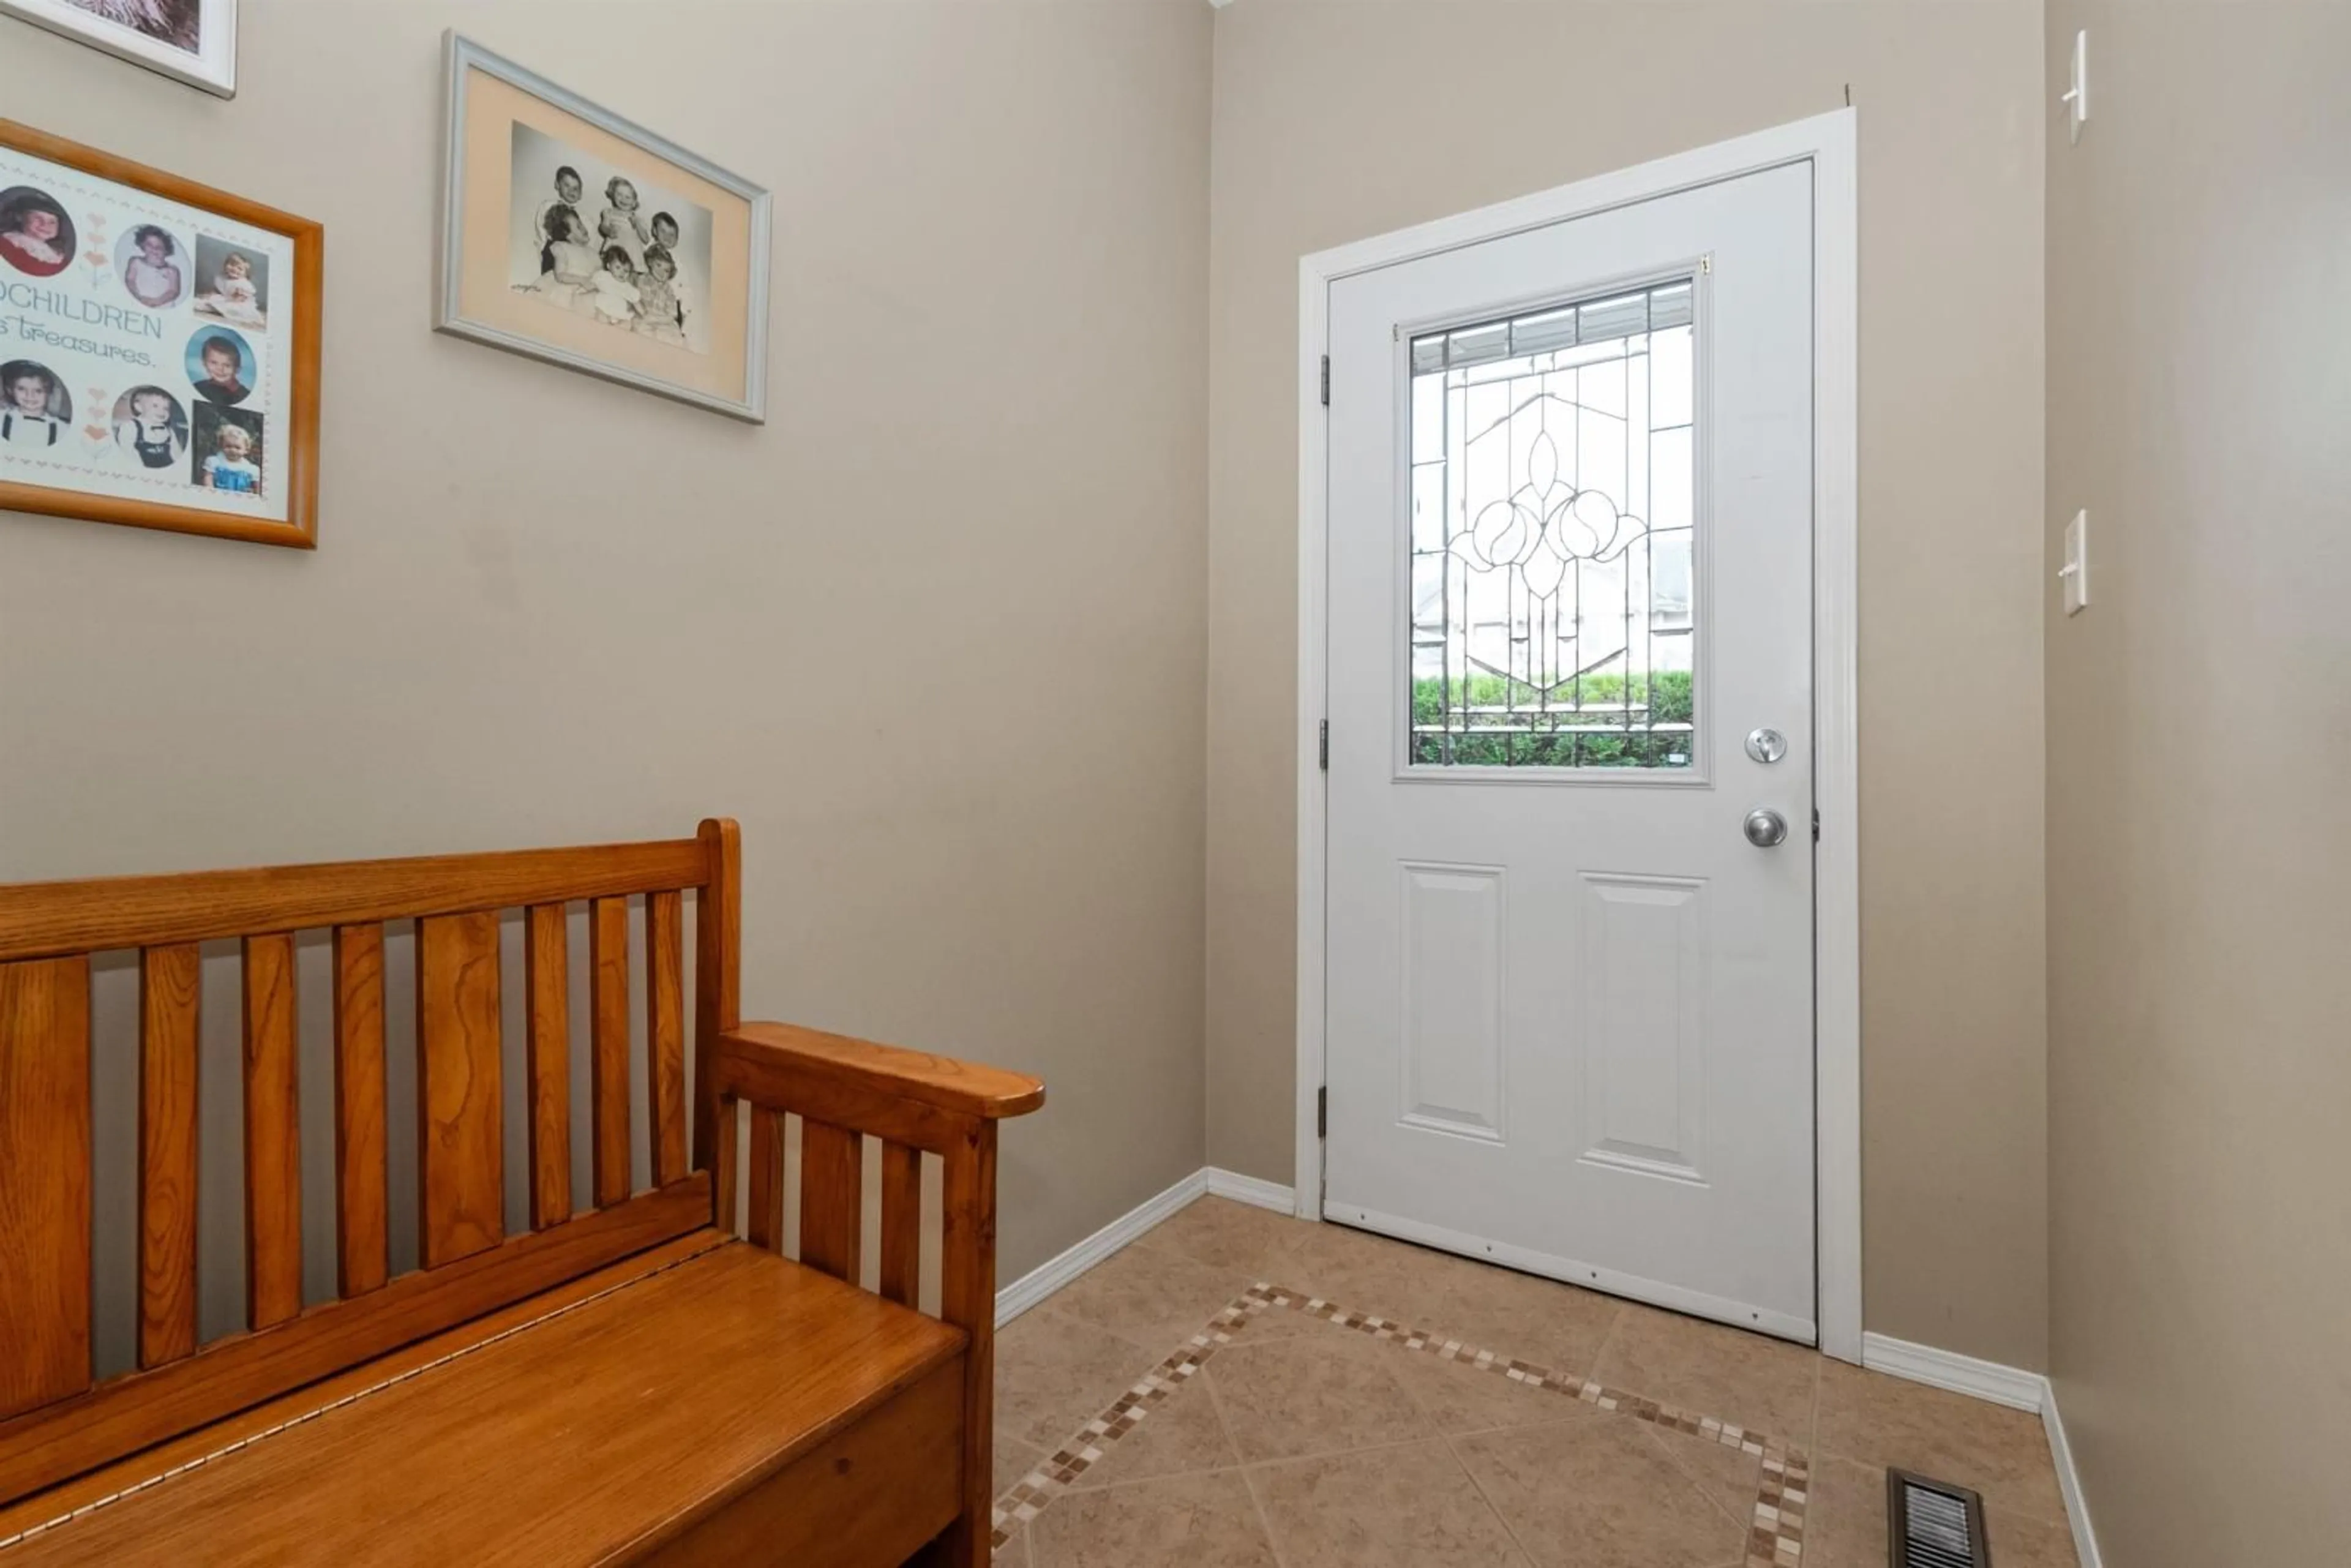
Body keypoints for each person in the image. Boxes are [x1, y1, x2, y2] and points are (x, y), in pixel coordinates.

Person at [0, 192, 71, 277]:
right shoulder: (5, 244)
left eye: (52, 222)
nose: (45, 225)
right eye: (38, 218)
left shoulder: (59, 259)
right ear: (19, 217)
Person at [114, 387, 187, 470]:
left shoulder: (169, 431)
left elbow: (177, 452)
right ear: (139, 407)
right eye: (155, 406)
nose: (162, 411)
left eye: (166, 408)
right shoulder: (130, 426)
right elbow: (128, 450)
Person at [531, 165, 585, 272]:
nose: (571, 191)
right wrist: (543, 248)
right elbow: (541, 228)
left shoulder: (583, 216)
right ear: (557, 185)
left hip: (573, 255)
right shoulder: (548, 205)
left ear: (581, 194)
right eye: (567, 185)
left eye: (575, 188)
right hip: (553, 250)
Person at [648, 212, 692, 341]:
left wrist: (684, 311)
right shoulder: (648, 250)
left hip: (673, 300)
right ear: (654, 231)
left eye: (672, 234)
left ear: (677, 239)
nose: (667, 237)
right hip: (654, 296)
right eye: (663, 231)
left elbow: (685, 286)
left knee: (674, 328)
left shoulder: (678, 262)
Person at [0, 361, 65, 449]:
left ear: (49, 393)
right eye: (22, 389)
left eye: (38, 391)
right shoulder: (2, 418)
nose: (30, 396)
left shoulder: (61, 428)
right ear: (10, 390)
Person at [193, 250, 265, 328]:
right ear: (225, 265)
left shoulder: (243, 284)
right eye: (232, 265)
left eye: (240, 269)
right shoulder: (222, 277)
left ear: (245, 274)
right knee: (207, 299)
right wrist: (211, 294)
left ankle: (218, 309)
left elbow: (241, 298)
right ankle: (212, 306)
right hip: (225, 298)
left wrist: (236, 296)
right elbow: (218, 290)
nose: (235, 269)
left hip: (237, 302)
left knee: (233, 309)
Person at [634, 247, 685, 346]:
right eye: (658, 265)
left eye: (666, 271)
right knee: (642, 333)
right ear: (650, 262)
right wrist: (646, 316)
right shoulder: (641, 280)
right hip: (644, 318)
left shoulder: (668, 290)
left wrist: (657, 320)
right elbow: (635, 300)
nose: (662, 272)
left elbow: (672, 315)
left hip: (664, 322)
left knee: (673, 338)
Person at [123, 225, 184, 308]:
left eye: (159, 247)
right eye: (149, 245)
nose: (154, 250)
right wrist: (138, 297)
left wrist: (156, 302)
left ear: (166, 250)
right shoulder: (136, 262)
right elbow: (130, 280)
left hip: (162, 307)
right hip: (139, 303)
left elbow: (173, 291)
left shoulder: (172, 271)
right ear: (142, 245)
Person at [598, 177, 649, 266]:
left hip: (632, 253)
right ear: (613, 195)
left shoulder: (637, 218)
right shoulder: (609, 212)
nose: (623, 199)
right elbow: (603, 226)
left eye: (628, 197)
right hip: (614, 248)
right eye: (619, 195)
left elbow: (646, 239)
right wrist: (609, 231)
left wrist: (637, 225)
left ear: (634, 202)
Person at [584, 246, 640, 327]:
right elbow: (591, 285)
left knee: (626, 326)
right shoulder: (603, 276)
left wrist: (637, 310)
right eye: (618, 268)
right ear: (609, 266)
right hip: (603, 310)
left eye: (626, 271)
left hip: (622, 316)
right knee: (600, 319)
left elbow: (636, 300)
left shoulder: (628, 286)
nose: (622, 273)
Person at [200, 420, 260, 492]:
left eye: (237, 448)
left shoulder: (251, 469)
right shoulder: (214, 462)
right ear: (221, 445)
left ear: (246, 450)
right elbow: (208, 479)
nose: (232, 450)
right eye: (228, 446)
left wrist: (252, 493)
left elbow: (257, 490)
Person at [192, 335, 250, 405]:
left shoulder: (244, 396)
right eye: (214, 363)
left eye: (227, 365)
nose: (220, 369)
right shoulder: (199, 388)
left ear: (237, 369)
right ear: (204, 363)